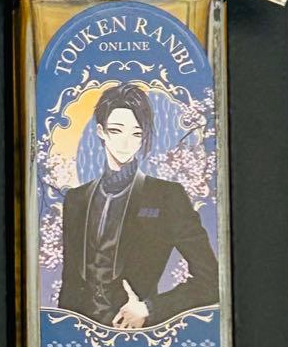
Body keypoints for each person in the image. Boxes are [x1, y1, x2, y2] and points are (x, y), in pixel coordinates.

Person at [56, 82, 217, 328]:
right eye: (116, 130)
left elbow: (212, 280)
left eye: (136, 133)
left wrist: (150, 309)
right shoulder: (76, 199)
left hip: (138, 334)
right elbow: (70, 282)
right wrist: (61, 330)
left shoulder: (166, 196)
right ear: (101, 131)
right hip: (79, 333)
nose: (126, 142)